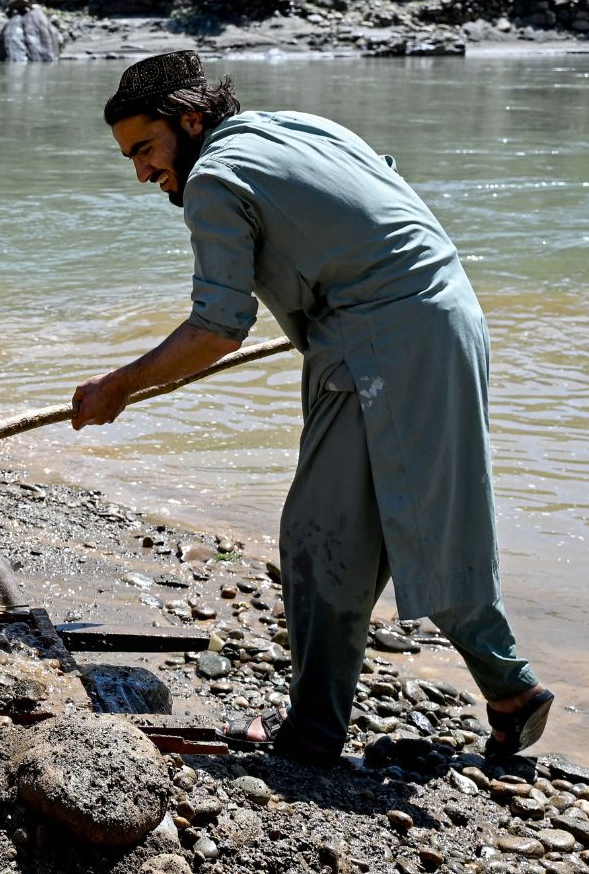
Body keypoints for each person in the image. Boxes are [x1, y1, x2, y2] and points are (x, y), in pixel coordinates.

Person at [70, 51, 554, 765]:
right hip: (446, 316)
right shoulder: (297, 125)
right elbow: (372, 205)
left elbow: (217, 329)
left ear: (192, 120)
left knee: (323, 536)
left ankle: (316, 735)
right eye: (130, 158)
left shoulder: (212, 178)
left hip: (381, 346)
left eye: (145, 149)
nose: (142, 173)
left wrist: (118, 385)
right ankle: (509, 691)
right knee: (419, 518)